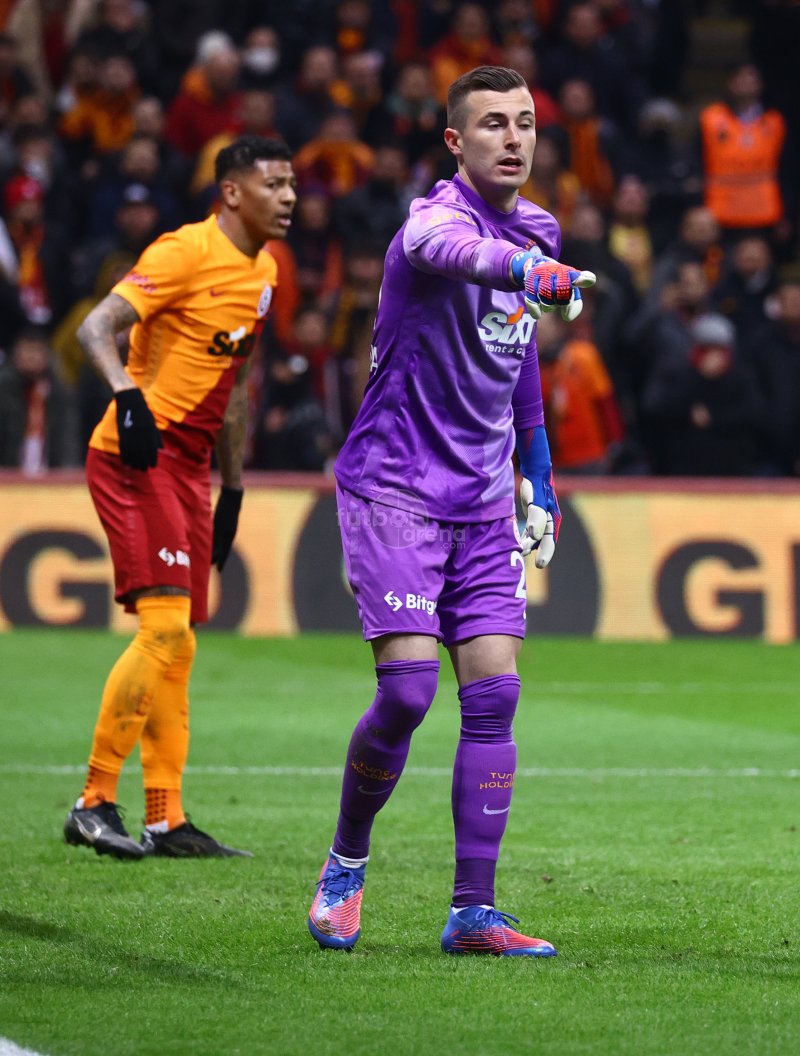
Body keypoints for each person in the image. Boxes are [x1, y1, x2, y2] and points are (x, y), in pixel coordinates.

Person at [306, 65, 594, 957]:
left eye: (526, 122)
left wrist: (537, 475)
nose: (514, 138)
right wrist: (529, 269)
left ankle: (474, 911)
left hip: (481, 501)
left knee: (495, 696)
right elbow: (463, 257)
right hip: (395, 488)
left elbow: (520, 352)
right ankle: (346, 862)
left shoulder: (540, 230)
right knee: (407, 692)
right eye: (493, 123)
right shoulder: (431, 222)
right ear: (455, 141)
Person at [63, 135, 297, 860]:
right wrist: (126, 395)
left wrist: (233, 487)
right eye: (273, 184)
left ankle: (166, 817)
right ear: (231, 192)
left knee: (181, 639)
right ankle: (92, 802)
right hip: (135, 456)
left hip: (191, 470)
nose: (289, 197)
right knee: (164, 630)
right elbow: (95, 327)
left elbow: (236, 388)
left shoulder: (264, 272)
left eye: (292, 184)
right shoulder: (183, 252)